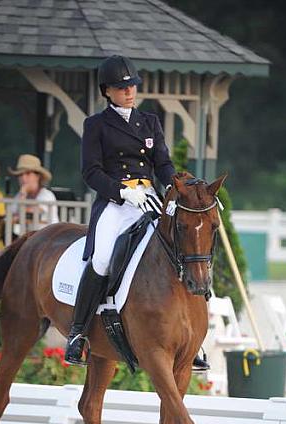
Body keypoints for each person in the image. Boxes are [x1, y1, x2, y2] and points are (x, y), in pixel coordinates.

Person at [64, 54, 209, 372]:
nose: (130, 91)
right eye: (122, 86)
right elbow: (91, 172)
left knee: (181, 248)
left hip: (148, 199)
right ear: (107, 91)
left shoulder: (150, 122)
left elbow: (162, 164)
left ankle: (191, 339)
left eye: (132, 85)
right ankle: (79, 333)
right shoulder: (96, 125)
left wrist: (181, 183)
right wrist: (121, 191)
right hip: (115, 203)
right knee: (102, 258)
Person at [9, 154, 58, 233]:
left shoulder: (47, 195)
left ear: (38, 176)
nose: (23, 178)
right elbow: (10, 215)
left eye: (28, 173)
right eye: (20, 175)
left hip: (48, 240)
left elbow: (32, 212)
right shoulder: (19, 195)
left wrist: (23, 197)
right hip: (30, 241)